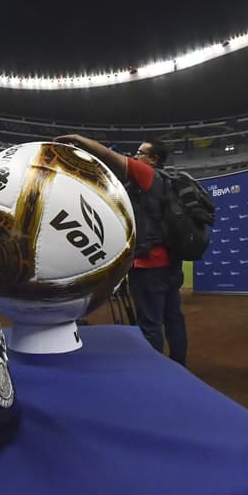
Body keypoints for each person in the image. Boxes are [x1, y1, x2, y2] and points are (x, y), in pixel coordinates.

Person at [56, 134, 187, 365]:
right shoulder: (165, 181)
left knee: (150, 322)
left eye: (140, 153)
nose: (135, 156)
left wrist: (78, 139)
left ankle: (153, 370)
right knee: (173, 317)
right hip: (170, 264)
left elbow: (108, 155)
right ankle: (179, 364)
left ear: (153, 159)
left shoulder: (147, 175)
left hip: (149, 265)